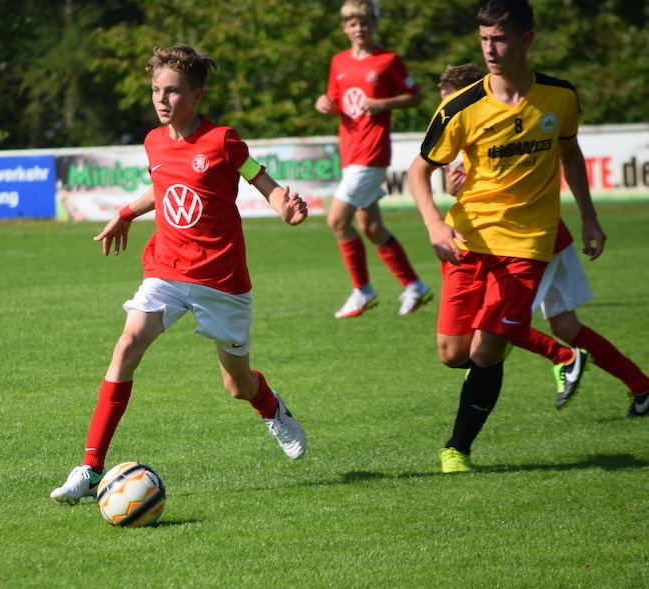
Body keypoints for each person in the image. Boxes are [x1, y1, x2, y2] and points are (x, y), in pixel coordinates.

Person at [51, 45, 309, 503]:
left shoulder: (224, 141)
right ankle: (90, 469)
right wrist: (126, 213)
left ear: (197, 96)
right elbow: (163, 185)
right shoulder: (153, 141)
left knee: (237, 384)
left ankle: (270, 407)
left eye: (172, 91)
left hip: (222, 281)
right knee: (127, 346)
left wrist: (284, 208)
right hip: (166, 269)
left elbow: (261, 180)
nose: (162, 99)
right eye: (156, 90)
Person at [407, 0, 607, 473]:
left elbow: (571, 155)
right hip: (467, 240)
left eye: (499, 39)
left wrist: (589, 218)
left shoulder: (560, 97)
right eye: (483, 40)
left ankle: (456, 449)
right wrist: (435, 223)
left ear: (525, 40)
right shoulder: (461, 106)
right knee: (453, 354)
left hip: (527, 245)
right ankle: (509, 337)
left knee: (487, 347)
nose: (490, 49)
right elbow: (418, 171)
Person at [439, 65, 649, 418]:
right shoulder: (462, 131)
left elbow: (557, 161)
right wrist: (452, 189)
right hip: (545, 237)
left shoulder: (507, 120)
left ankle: (564, 358)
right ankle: (642, 386)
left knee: (493, 326)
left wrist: (589, 217)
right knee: (564, 325)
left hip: (527, 244)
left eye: (450, 102)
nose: (445, 111)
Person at [315, 0, 432, 318]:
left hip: (372, 152)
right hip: (350, 152)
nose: (359, 29)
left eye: (364, 23)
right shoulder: (338, 61)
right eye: (353, 24)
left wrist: (384, 104)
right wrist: (324, 104)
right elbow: (337, 102)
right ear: (345, 27)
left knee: (337, 220)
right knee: (371, 226)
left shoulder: (387, 60)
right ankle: (415, 286)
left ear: (374, 25)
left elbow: (416, 96)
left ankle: (362, 290)